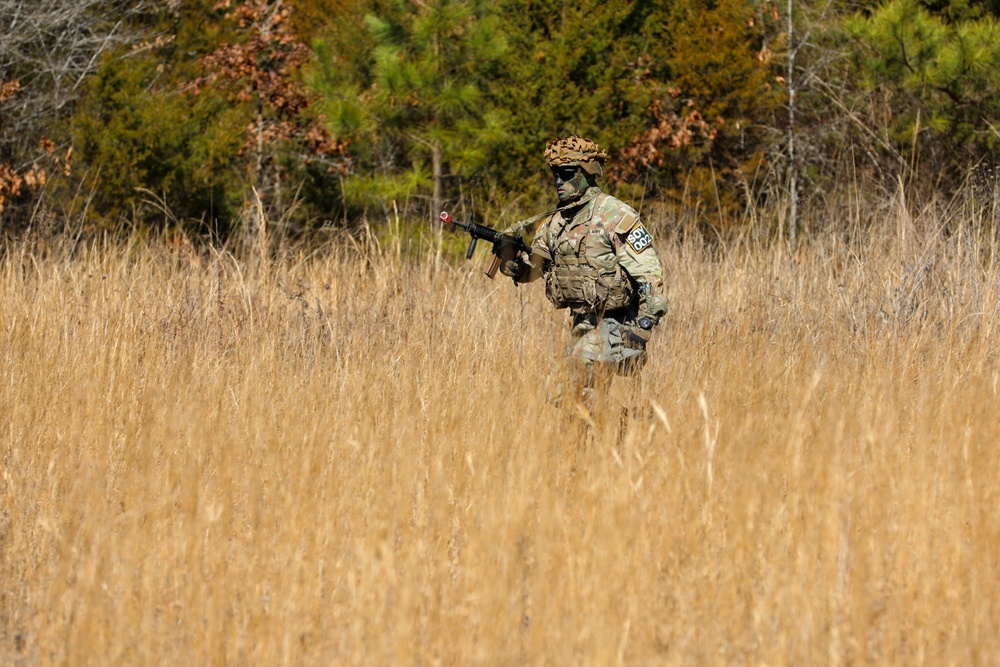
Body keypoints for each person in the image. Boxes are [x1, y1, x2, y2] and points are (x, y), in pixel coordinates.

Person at [498, 135, 668, 404]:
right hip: (581, 325)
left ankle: (617, 427)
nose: (558, 181)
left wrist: (642, 329)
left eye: (566, 174)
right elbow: (537, 268)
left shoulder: (615, 215)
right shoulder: (556, 222)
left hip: (617, 323)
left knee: (560, 388)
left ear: (586, 173)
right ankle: (623, 427)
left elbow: (649, 276)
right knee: (577, 398)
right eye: (555, 174)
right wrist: (515, 267)